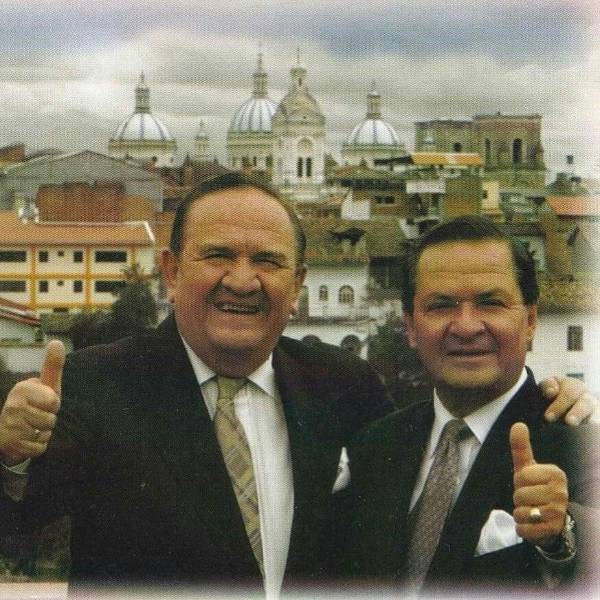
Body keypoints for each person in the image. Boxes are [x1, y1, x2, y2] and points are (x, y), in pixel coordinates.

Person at [0, 178, 593, 598]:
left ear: (298, 283)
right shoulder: (93, 384)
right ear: (172, 271)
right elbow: (16, 523)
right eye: (218, 255)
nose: (242, 281)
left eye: (268, 261)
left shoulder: (344, 385)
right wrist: (8, 453)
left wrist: (558, 396)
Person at [339, 216, 598, 597]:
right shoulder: (375, 445)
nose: (465, 327)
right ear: (411, 327)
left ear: (530, 321)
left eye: (490, 303)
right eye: (441, 305)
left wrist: (563, 537)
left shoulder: (582, 446)